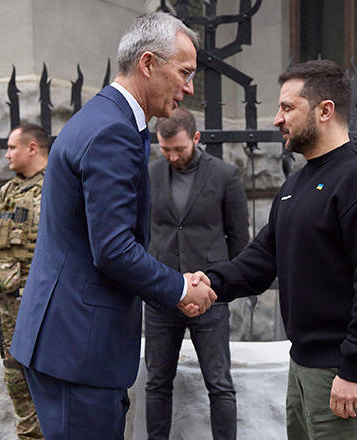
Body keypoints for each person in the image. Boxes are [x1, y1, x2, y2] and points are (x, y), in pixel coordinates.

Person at [8, 12, 217, 440]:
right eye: (185, 72)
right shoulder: (113, 131)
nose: (190, 87)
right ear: (147, 63)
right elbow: (114, 249)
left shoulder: (106, 118)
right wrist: (179, 289)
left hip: (70, 345)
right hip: (78, 351)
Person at [197, 60, 357, 440]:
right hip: (304, 365)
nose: (277, 119)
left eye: (288, 107)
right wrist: (209, 283)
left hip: (343, 374)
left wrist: (354, 369)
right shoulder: (297, 182)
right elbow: (261, 259)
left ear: (325, 110)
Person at [145, 108, 249, 440]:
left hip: (209, 297)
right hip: (162, 295)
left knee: (219, 384)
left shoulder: (225, 175)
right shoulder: (149, 175)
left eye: (179, 148)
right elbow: (144, 233)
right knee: (157, 383)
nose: (173, 156)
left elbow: (239, 240)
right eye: (165, 149)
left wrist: (221, 288)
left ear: (196, 138)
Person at [0, 122, 49, 440]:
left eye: (12, 147)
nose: (6, 155)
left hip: (36, 302)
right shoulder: (10, 190)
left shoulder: (55, 187)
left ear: (32, 148)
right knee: (15, 379)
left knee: (43, 381)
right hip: (6, 304)